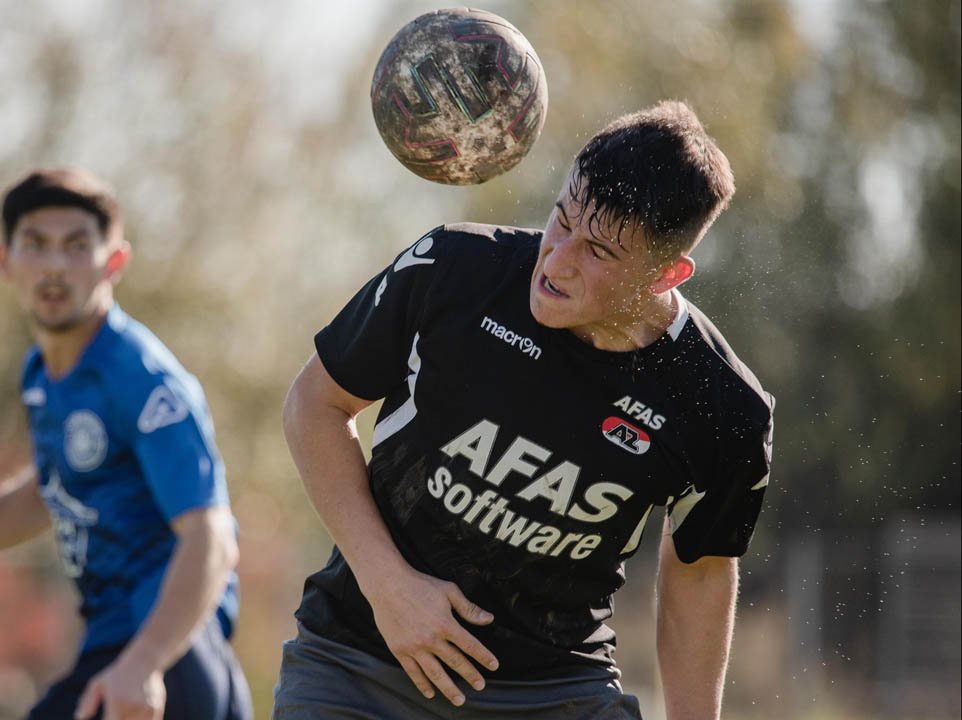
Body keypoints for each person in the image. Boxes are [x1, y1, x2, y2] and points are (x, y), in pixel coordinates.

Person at [273, 101, 774, 719]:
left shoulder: (723, 407)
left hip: (555, 689)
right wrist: (389, 586)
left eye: (598, 252)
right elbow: (315, 404)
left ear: (666, 275)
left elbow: (699, 571)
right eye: (561, 220)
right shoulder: (454, 270)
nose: (557, 260)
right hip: (361, 663)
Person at [0, 168, 253, 720]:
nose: (55, 265)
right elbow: (48, 492)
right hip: (114, 649)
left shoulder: (143, 380)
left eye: (77, 246)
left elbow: (212, 539)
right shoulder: (42, 373)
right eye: (35, 244)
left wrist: (146, 663)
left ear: (114, 263)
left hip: (166, 660)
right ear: (5, 262)